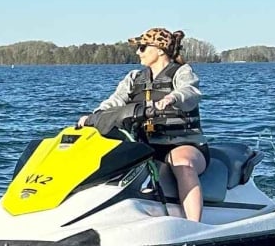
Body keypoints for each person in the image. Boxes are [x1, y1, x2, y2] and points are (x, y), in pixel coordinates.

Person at [77, 27, 208, 221]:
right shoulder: (133, 78)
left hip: (183, 144)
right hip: (144, 146)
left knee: (181, 162)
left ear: (160, 49)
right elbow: (115, 101)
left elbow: (190, 91)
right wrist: (94, 116)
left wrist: (172, 97)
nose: (138, 52)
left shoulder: (182, 72)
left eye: (143, 47)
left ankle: (194, 225)